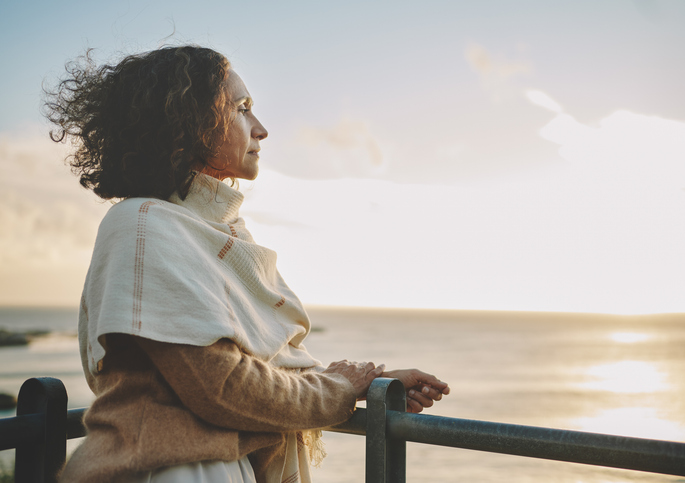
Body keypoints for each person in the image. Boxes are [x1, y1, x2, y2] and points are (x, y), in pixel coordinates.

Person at [44, 45, 450, 483]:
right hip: (173, 473)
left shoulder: (216, 232)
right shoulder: (143, 225)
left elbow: (265, 370)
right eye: (242, 108)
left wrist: (373, 384)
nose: (261, 129)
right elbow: (222, 387)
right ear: (189, 123)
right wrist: (338, 388)